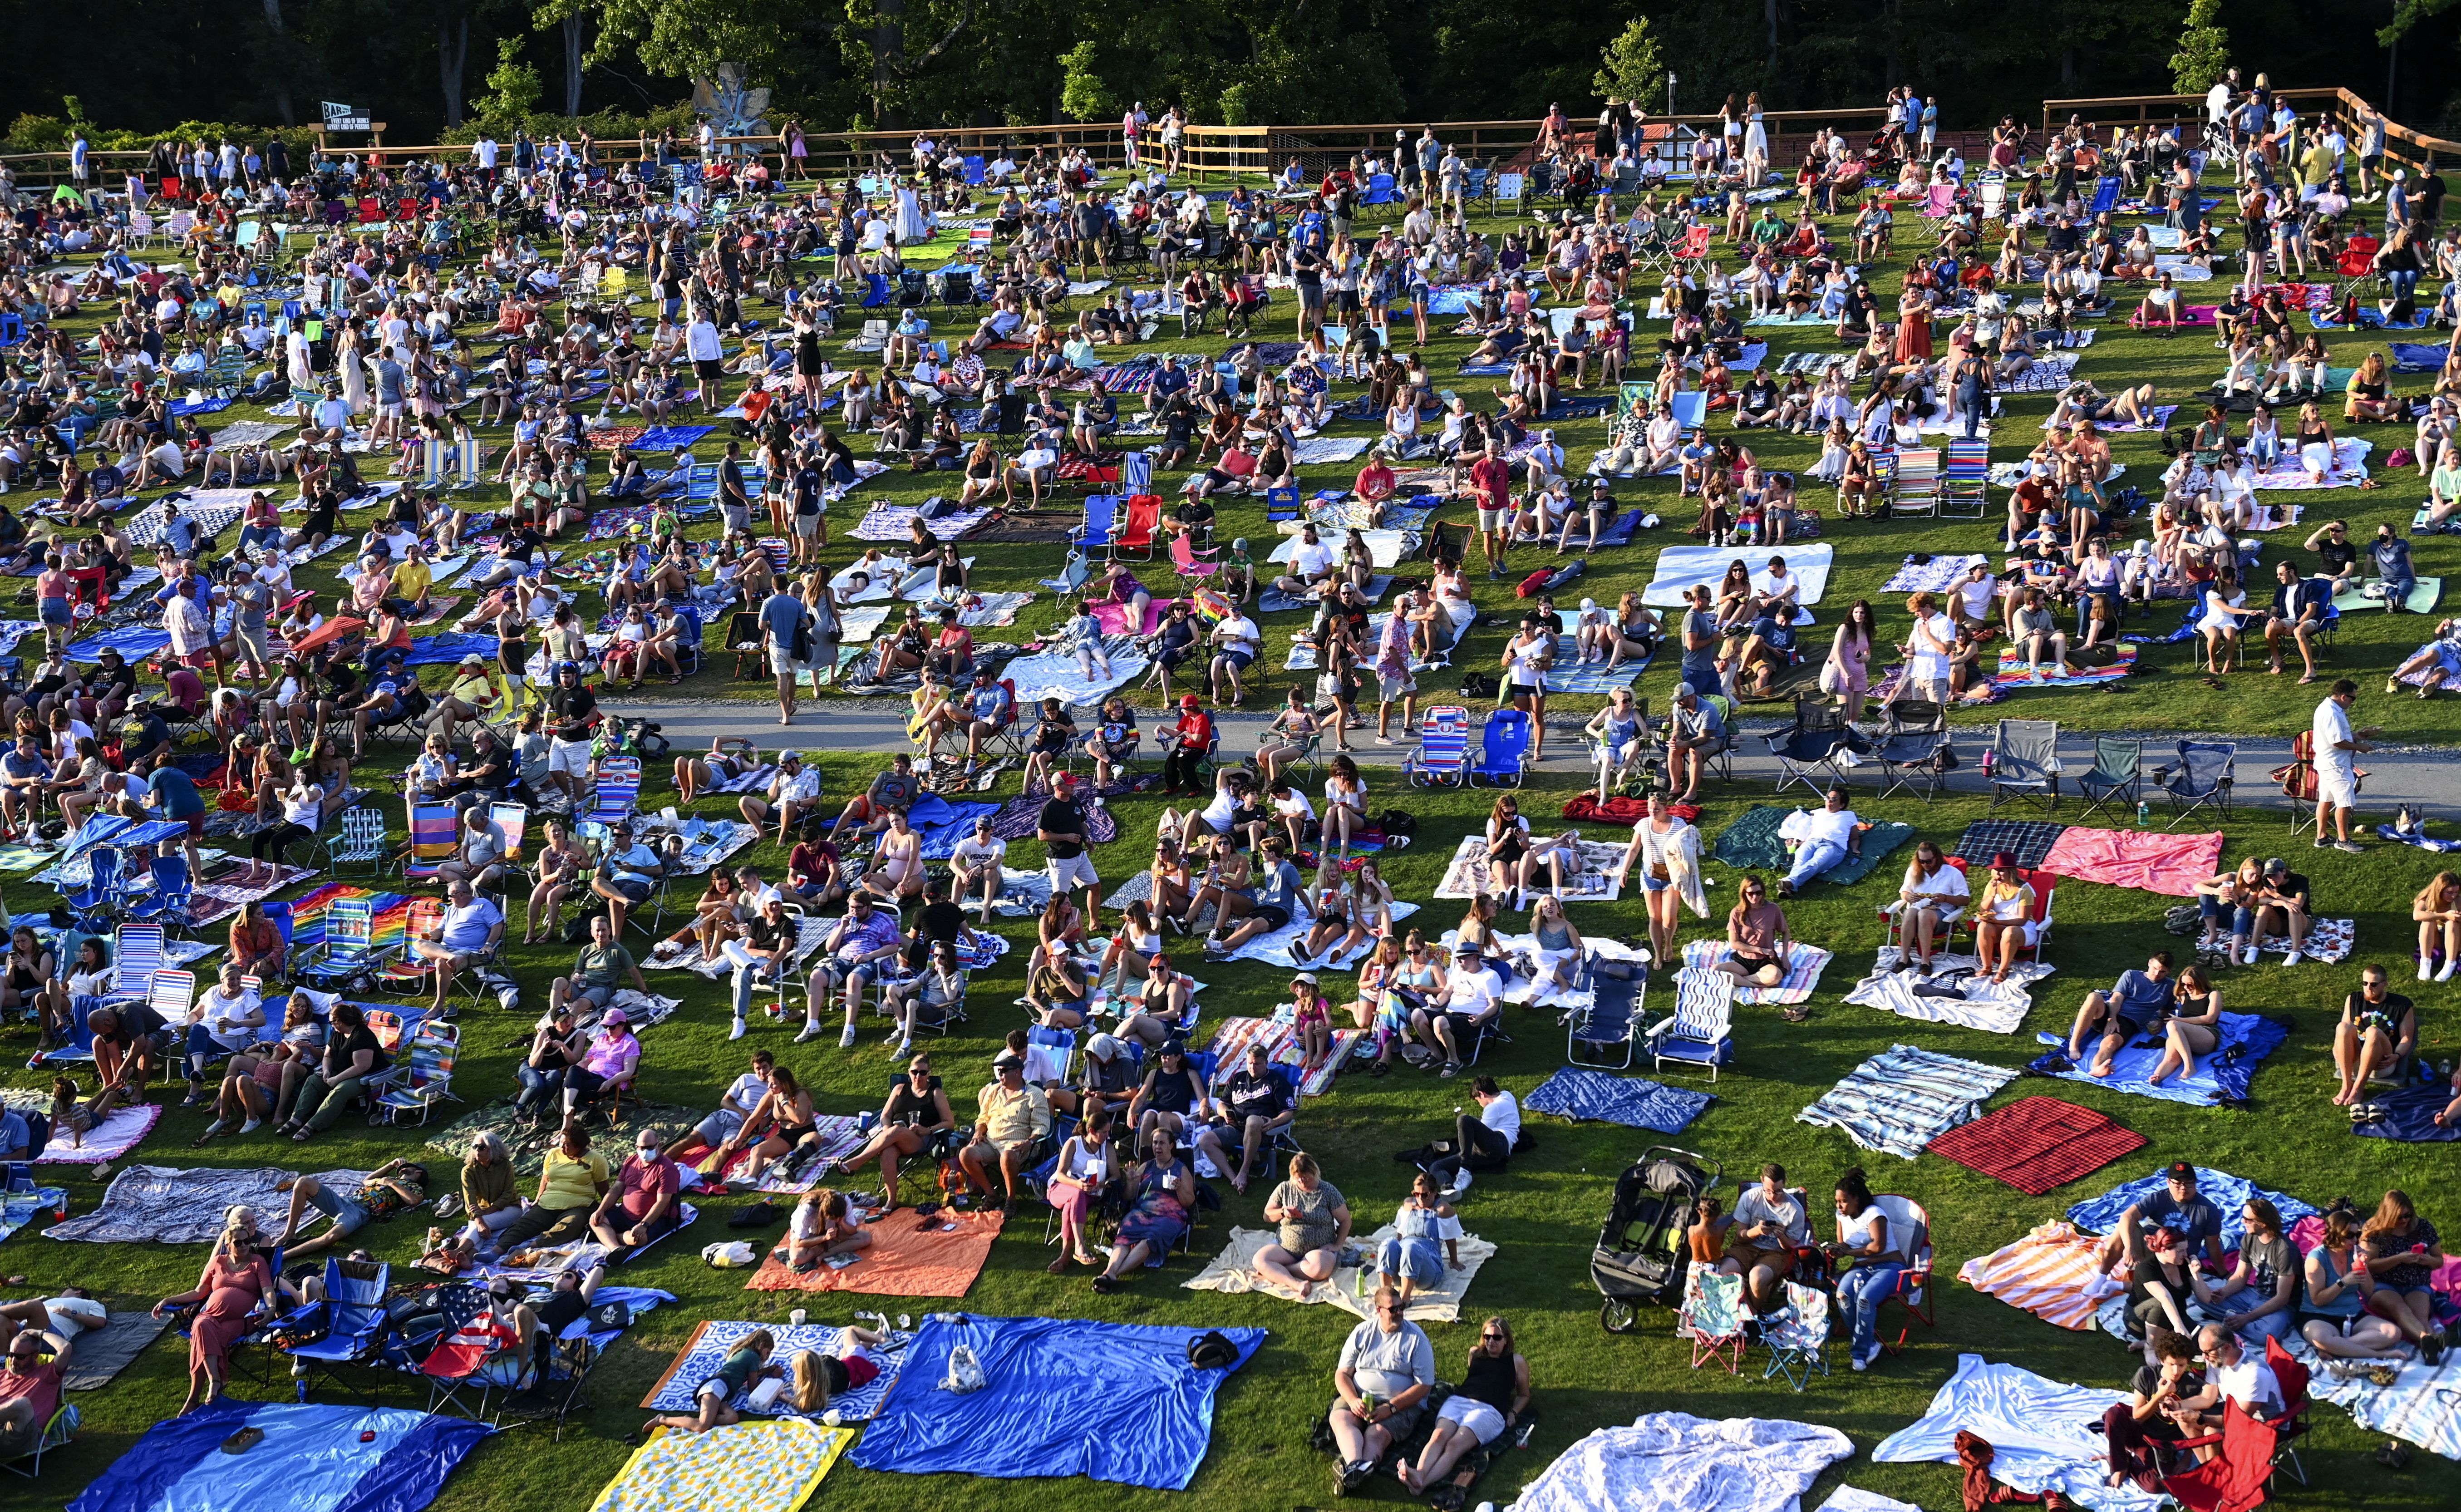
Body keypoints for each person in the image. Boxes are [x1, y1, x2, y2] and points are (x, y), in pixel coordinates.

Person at [152, 1212, 273, 1414]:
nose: (244, 1246)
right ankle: (214, 1382)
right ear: (228, 1245)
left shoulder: (257, 1262)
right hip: (213, 1318)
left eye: (247, 1241)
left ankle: (195, 1397)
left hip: (242, 1321)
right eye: (239, 1243)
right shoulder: (217, 1263)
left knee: (201, 1331)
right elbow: (200, 1292)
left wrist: (271, 1310)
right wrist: (169, 1300)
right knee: (202, 1326)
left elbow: (268, 1290)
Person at [1396, 1315, 1528, 1497]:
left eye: (1497, 1338)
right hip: (1459, 1401)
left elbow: (1524, 1395)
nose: (1491, 1342)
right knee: (1438, 1437)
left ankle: (1421, 1483)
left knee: (1454, 1445)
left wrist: (1513, 1412)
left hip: (1489, 1410)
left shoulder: (1516, 1361)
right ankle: (1419, 1476)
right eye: (1487, 1336)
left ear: (1506, 1340)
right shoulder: (1475, 1353)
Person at [1327, 1285, 1437, 1497]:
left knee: (1376, 1434)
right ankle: (1356, 1467)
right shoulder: (1362, 1332)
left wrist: (1391, 1408)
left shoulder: (1416, 1339)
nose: (1399, 1313)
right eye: (1393, 1309)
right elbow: (1342, 1374)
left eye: (1401, 1307)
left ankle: (1352, 1472)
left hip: (1401, 1405)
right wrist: (1352, 1401)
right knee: (1341, 1420)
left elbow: (1425, 1386)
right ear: (1378, 1311)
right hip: (1360, 1396)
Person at [2299, 1202, 2410, 1366]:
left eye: (2357, 1234)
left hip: (2352, 1314)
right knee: (2322, 1339)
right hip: (2319, 1315)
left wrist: (2363, 1268)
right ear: (2336, 1235)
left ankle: (2338, 1347)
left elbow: (2369, 1291)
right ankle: (2380, 1355)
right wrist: (2343, 1283)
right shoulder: (2317, 1258)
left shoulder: (2355, 1253)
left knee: (2393, 1332)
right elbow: (2318, 1300)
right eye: (2350, 1236)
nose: (2356, 1240)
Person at [1089, 1121, 1194, 1294]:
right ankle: (1110, 1273)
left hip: (1169, 1216)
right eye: (1155, 1143)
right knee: (1124, 1236)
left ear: (1171, 1146)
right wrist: (1131, 1182)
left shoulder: (1181, 1170)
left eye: (1162, 1143)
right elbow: (1130, 1197)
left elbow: (1189, 1202)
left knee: (1150, 1239)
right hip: (1141, 1213)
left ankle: (1112, 1274)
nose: (1157, 1147)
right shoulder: (1147, 1166)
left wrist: (1180, 1188)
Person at [2101, 1329, 2206, 1491]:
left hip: (2162, 1444)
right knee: (2113, 1414)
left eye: (2182, 1365)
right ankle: (2120, 1467)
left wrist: (2187, 1458)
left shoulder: (2193, 1386)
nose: (2177, 1371)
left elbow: (2195, 1427)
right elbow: (2138, 1417)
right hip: (2138, 1432)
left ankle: (2127, 1461)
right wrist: (2159, 1396)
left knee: (2156, 1486)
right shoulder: (2147, 1374)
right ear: (2163, 1360)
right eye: (2172, 1364)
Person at [2188, 1196, 2299, 1346]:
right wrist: (2224, 1292)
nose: (2242, 1222)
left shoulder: (2285, 1251)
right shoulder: (2249, 1238)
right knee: (2200, 1298)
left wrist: (2247, 1318)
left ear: (2263, 1224)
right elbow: (2240, 1276)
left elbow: (2282, 1298)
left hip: (2280, 1307)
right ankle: (2236, 1320)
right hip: (2254, 1294)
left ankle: (2235, 1320)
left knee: (2263, 1336)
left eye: (2248, 1219)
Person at [492, 1123, 613, 1252]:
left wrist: (605, 1209)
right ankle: (496, 1250)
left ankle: (531, 1246)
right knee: (523, 1225)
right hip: (547, 1204)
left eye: (567, 1145)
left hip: (578, 1206)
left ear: (579, 1146)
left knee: (570, 1226)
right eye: (561, 1142)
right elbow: (545, 1179)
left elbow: (603, 1188)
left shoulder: (596, 1160)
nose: (562, 1147)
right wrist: (538, 1199)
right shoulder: (553, 1154)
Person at [1823, 1168, 1900, 1371]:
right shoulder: (1841, 1216)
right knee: (1843, 1295)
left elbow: (1878, 1247)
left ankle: (1860, 1352)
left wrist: (1848, 1252)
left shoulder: (1874, 1215)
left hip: (1890, 1267)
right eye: (1837, 1201)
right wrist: (1838, 1250)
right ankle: (1872, 1343)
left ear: (1857, 1200)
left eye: (1844, 1201)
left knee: (1865, 1299)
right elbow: (1844, 1244)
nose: (1839, 1206)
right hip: (1862, 1267)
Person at [2358, 1189, 2446, 1362]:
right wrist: (2398, 1258)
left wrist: (2427, 1260)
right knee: (2401, 1309)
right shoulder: (2375, 1230)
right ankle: (2428, 1340)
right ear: (2389, 1215)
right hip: (2384, 1284)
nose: (2405, 1220)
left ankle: (2430, 1346)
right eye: (2400, 1217)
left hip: (2417, 1283)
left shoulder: (2423, 1227)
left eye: (2408, 1215)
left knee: (2421, 1316)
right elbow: (2370, 1265)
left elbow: (2439, 1261)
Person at [1194, 1042, 1293, 1196]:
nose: (1253, 1067)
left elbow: (1288, 1113)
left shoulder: (1277, 1082)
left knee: (1253, 1121)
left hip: (1264, 1130)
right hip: (1236, 1127)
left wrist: (1275, 1122)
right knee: (1205, 1141)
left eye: (1257, 1064)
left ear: (1266, 1063)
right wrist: (1226, 1114)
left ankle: (1244, 1171)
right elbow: (1222, 1104)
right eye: (1250, 1063)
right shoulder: (1237, 1079)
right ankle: (1234, 1178)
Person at [643, 1328, 781, 1437]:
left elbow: (749, 1375)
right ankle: (662, 1420)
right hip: (714, 1388)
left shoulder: (747, 1354)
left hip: (720, 1392)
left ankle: (688, 1421)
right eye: (767, 1353)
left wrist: (768, 1370)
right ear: (761, 1346)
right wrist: (774, 1380)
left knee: (732, 1417)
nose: (767, 1357)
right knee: (703, 1427)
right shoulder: (753, 1358)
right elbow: (752, 1387)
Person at [2062, 950, 2176, 1079]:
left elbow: (2167, 1010)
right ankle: (2074, 1045)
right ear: (2150, 963)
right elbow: (2117, 998)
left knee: (2110, 1043)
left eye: (2162, 972)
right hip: (2112, 1012)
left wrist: (2160, 1020)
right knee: (2094, 997)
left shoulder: (2170, 986)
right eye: (2155, 968)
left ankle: (2097, 1068)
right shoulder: (2131, 975)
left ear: (2169, 971)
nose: (2157, 974)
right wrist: (2112, 1018)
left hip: (2130, 1022)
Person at [957, 1054, 1050, 1210]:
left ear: (1018, 1073)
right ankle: (991, 1194)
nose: (999, 1075)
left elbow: (1042, 1126)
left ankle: (1011, 1200)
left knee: (1007, 1156)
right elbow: (983, 1118)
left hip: (1018, 1144)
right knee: (965, 1154)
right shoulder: (994, 1091)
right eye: (999, 1071)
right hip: (991, 1142)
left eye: (1003, 1071)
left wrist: (1031, 1142)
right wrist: (978, 1132)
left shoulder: (1034, 1095)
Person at [1255, 1152, 1351, 1299]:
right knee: (1259, 1260)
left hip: (1319, 1249)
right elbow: (1267, 1216)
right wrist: (1282, 1212)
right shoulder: (1285, 1188)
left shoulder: (1328, 1191)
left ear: (1315, 1173)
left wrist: (1338, 1245)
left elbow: (1346, 1220)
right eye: (1298, 1180)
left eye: (1306, 1179)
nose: (1303, 1183)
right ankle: (1297, 1284)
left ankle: (1278, 1270)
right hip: (1286, 1248)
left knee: (1319, 1270)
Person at [1722, 1163, 1809, 1314]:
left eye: (1777, 1191)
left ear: (1785, 1183)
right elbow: (1741, 1236)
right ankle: (1731, 1311)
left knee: (1756, 1278)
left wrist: (1781, 1235)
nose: (1772, 1196)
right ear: (1762, 1180)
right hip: (1747, 1247)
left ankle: (1753, 1313)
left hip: (1776, 1253)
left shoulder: (1795, 1210)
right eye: (1767, 1191)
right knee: (1723, 1272)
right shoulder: (1750, 1197)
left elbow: (1791, 1248)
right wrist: (1756, 1231)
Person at [2331, 964, 2417, 1108]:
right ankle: (2346, 1086)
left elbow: (2407, 1038)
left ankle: (2358, 1089)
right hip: (2354, 1059)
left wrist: (2397, 1056)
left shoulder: (2402, 1005)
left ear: (2384, 985)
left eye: (2374, 984)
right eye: (2365, 983)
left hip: (2381, 1062)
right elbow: (2344, 1032)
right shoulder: (2353, 999)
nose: (2368, 988)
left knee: (2373, 1031)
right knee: (2343, 1027)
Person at [1376, 1171, 1464, 1309]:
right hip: (1401, 1270)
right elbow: (1400, 1232)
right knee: (1389, 1243)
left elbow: (1450, 1237)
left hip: (1427, 1271)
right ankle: (1385, 1295)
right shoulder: (1409, 1205)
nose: (1420, 1198)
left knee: (1412, 1249)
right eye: (1416, 1194)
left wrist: (1454, 1261)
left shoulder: (1442, 1210)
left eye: (1425, 1195)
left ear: (1435, 1192)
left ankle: (1405, 1299)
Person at [1044, 1112, 1118, 1274]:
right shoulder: (1073, 1144)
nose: (1108, 1135)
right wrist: (1077, 1184)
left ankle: (1065, 1256)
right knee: (1075, 1196)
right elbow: (1061, 1174)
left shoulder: (1108, 1148)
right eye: (1105, 1132)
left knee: (1073, 1203)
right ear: (1092, 1131)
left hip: (1089, 1194)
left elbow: (1116, 1176)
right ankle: (1080, 1245)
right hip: (1061, 1187)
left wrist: (1102, 1184)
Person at [590, 1127, 683, 1253]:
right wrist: (601, 1210)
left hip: (656, 1219)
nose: (645, 1151)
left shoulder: (667, 1169)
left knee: (640, 1239)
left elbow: (662, 1202)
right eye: (642, 1148)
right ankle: (616, 1249)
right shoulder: (631, 1162)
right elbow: (617, 1188)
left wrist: (644, 1224)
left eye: (650, 1148)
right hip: (625, 1214)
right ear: (636, 1147)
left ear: (659, 1146)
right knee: (595, 1221)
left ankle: (608, 1237)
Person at [0, 1318, 72, 1458]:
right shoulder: (3, 1375)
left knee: (22, 1404)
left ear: (35, 1356)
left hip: (18, 1437)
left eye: (20, 1357)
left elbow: (66, 1349)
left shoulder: (47, 1375)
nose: (13, 1361)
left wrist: (39, 1333)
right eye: (11, 1355)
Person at [1778, 786, 1863, 897]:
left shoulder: (1849, 815)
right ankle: (1788, 887)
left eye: (1834, 800)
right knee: (1799, 863)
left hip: (1833, 846)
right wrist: (1798, 844)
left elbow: (1854, 838)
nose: (1829, 801)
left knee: (1815, 863)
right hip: (1812, 842)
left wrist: (1855, 849)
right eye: (1828, 798)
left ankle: (1789, 882)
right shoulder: (1818, 813)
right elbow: (1810, 830)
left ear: (1842, 805)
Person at [780, 1188, 874, 1271]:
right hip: (810, 1235)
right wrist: (824, 1238)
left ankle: (825, 1253)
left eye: (839, 1217)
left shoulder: (844, 1201)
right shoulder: (808, 1210)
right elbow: (799, 1242)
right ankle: (825, 1246)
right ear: (825, 1213)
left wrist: (842, 1223)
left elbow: (853, 1231)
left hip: (832, 1233)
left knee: (866, 1238)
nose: (837, 1220)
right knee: (797, 1259)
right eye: (833, 1218)